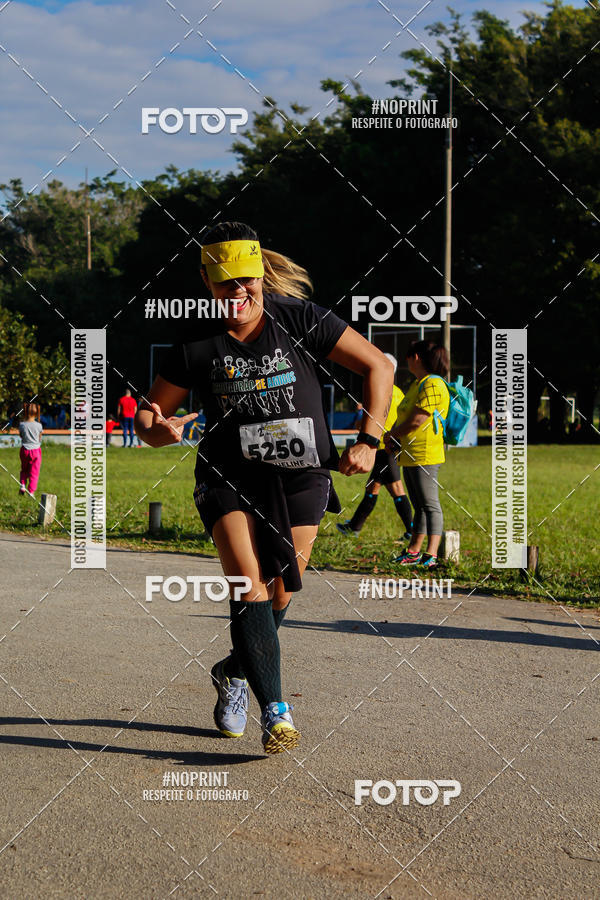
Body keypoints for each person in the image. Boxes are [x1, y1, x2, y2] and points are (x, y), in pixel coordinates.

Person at [135, 221, 394, 754]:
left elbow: (377, 366)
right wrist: (155, 429)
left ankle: (234, 669)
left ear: (260, 276)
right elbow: (148, 414)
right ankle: (277, 712)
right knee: (246, 585)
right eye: (226, 284)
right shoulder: (196, 342)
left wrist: (369, 439)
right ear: (208, 285)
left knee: (279, 592)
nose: (239, 293)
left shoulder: (298, 318)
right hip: (228, 476)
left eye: (247, 281)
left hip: (302, 473)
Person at [385, 340, 450, 569]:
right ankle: (414, 551)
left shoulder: (433, 385)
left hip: (425, 453)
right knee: (419, 505)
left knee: (430, 504)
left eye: (408, 356)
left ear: (417, 358)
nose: (406, 360)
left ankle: (431, 555)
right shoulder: (419, 383)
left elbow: (417, 420)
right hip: (411, 452)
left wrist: (392, 434)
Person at [336, 353, 412, 539]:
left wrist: (359, 419)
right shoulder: (400, 394)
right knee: (373, 487)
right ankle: (354, 526)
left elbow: (363, 425)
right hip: (389, 447)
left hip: (379, 449)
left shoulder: (379, 392)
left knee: (396, 490)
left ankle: (412, 529)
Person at [19, 402, 43, 497]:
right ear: (37, 413)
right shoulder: (39, 426)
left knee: (24, 469)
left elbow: (21, 436)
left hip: (24, 450)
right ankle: (31, 491)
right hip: (36, 451)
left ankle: (22, 485)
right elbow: (40, 438)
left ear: (25, 411)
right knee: (34, 472)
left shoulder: (22, 425)